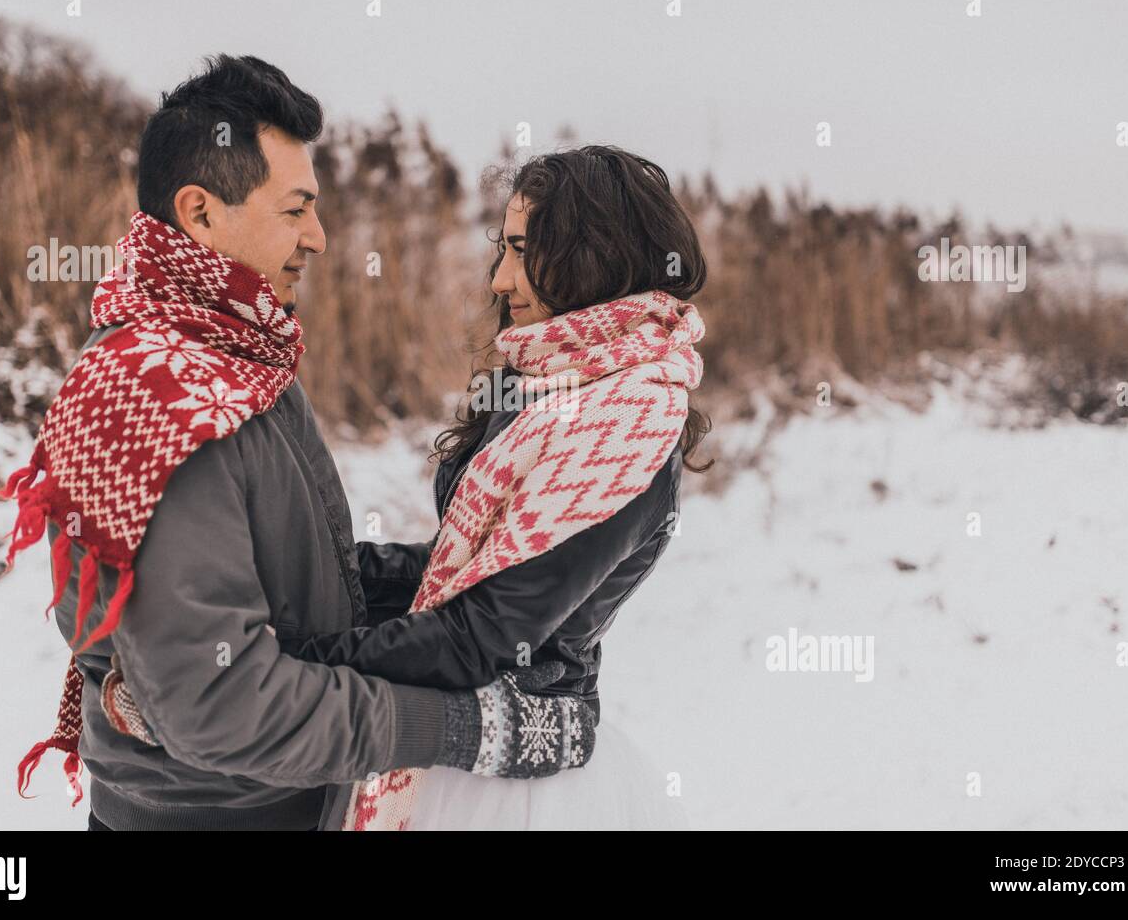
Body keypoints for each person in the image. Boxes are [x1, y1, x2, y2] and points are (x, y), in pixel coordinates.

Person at [0, 54, 597, 831]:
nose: (318, 235)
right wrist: (459, 728)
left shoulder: (234, 353)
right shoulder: (165, 399)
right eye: (295, 209)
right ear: (201, 212)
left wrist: (477, 577)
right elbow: (219, 701)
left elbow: (293, 580)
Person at [113, 145, 710, 830]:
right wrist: (317, 575)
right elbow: (455, 573)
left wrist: (272, 664)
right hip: (449, 739)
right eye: (502, 247)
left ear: (592, 257)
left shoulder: (625, 426)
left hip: (509, 771)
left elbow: (478, 635)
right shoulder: (549, 379)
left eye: (524, 249)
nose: (501, 277)